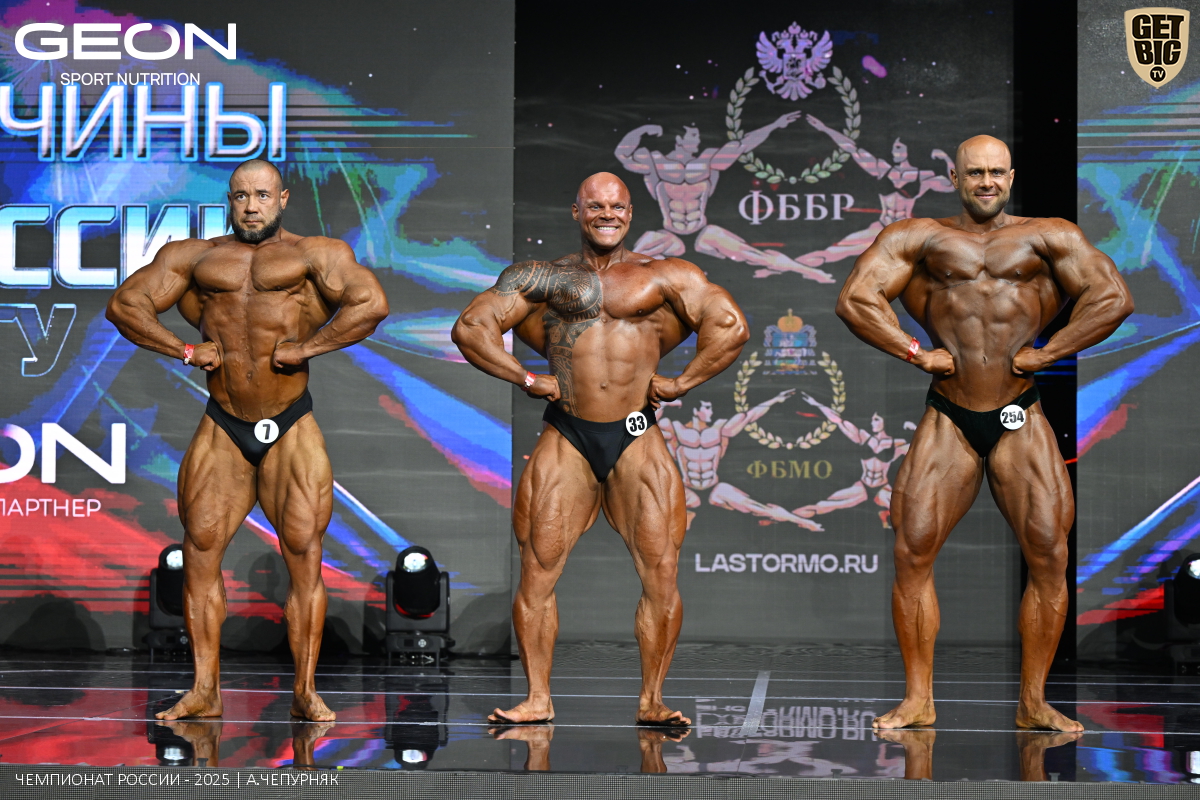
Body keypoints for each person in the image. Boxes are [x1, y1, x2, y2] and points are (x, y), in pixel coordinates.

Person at [835, 136, 1132, 731]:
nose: (987, 182)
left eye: (996, 172)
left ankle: (1034, 702)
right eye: (975, 173)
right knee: (912, 550)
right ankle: (918, 699)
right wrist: (917, 353)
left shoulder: (1048, 236)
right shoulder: (918, 238)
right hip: (950, 413)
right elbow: (855, 299)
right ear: (955, 177)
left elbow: (1113, 298)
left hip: (1020, 412)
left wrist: (1050, 352)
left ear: (1011, 177)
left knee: (1049, 553)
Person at [452, 172, 749, 726]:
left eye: (617, 206)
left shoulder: (664, 275)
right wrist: (525, 378)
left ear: (630, 213)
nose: (607, 214)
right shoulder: (542, 278)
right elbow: (471, 327)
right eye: (596, 206)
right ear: (577, 212)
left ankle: (652, 699)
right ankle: (537, 698)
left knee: (661, 571)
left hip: (636, 433)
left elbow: (729, 326)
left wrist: (682, 383)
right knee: (537, 569)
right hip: (567, 432)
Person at [106, 158, 389, 721]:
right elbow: (124, 304)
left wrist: (307, 348)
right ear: (229, 201)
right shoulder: (195, 257)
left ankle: (305, 691)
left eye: (262, 195)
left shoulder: (316, 254)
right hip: (224, 423)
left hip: (291, 424)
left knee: (304, 554)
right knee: (200, 551)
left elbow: (371, 304)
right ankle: (204, 690)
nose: (251, 206)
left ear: (283, 199)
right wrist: (184, 350)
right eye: (240, 196)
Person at [615, 119, 835, 284]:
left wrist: (774, 125)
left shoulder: (708, 160)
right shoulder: (656, 162)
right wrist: (641, 130)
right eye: (693, 136)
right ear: (679, 140)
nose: (698, 141)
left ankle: (808, 271)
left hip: (702, 232)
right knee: (625, 266)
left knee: (754, 255)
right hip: (669, 235)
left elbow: (743, 145)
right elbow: (622, 154)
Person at [754, 115, 956, 278]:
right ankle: (784, 267)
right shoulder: (882, 169)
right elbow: (852, 148)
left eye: (899, 148)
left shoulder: (923, 176)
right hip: (881, 228)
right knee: (833, 252)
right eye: (894, 148)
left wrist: (944, 158)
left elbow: (952, 185)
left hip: (907, 233)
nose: (895, 152)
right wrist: (825, 129)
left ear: (909, 150)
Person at [657, 392, 823, 531]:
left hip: (714, 487)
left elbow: (748, 416)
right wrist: (663, 405)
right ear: (695, 410)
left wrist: (774, 400)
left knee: (756, 507)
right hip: (687, 489)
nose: (711, 411)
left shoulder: (720, 429)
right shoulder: (675, 429)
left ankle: (803, 521)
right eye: (707, 407)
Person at [794, 392, 914, 528]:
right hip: (862, 486)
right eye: (872, 419)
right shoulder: (863, 437)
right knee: (823, 505)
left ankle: (886, 515)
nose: (872, 422)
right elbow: (838, 421)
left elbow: (923, 448)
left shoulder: (896, 444)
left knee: (910, 514)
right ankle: (787, 518)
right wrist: (816, 404)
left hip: (882, 488)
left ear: (885, 421)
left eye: (876, 419)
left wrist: (914, 428)